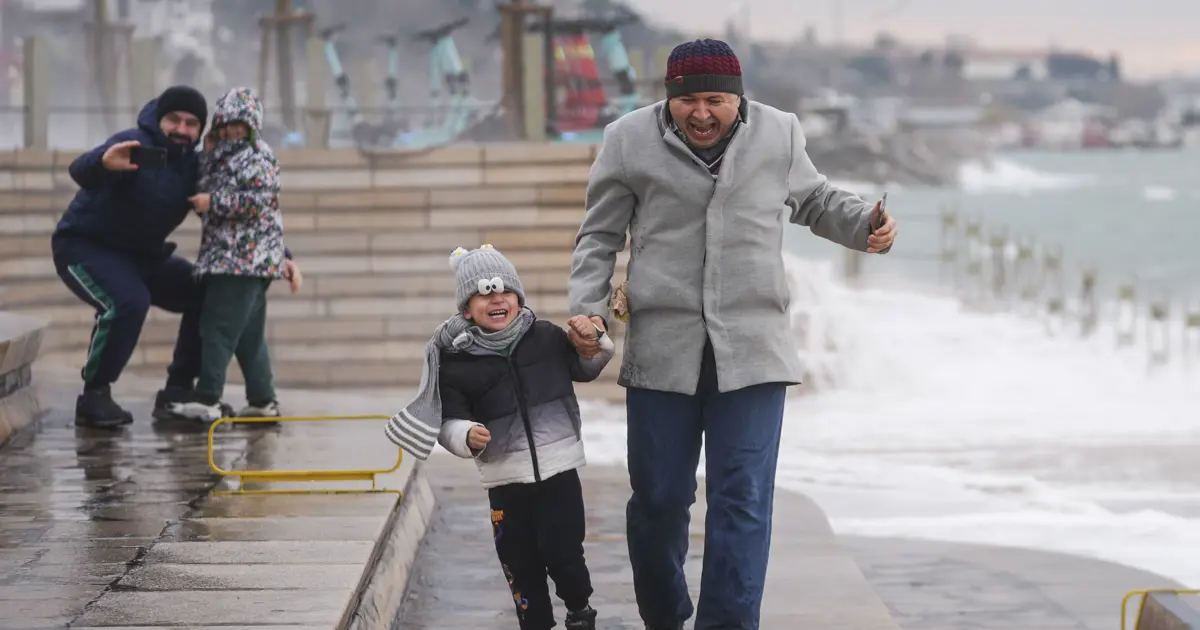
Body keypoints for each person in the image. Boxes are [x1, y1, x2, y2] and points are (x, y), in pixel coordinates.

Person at [566, 39, 899, 630]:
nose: (700, 114)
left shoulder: (781, 133)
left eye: (714, 100)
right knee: (659, 505)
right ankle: (666, 618)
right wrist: (587, 308)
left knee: (741, 502)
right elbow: (599, 237)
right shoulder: (627, 140)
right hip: (662, 352)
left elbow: (816, 200)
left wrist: (863, 224)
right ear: (668, 99)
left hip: (753, 350)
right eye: (687, 101)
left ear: (737, 98)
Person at [385, 244, 614, 630]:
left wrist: (594, 340)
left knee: (565, 553)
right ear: (466, 309)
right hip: (505, 483)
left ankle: (579, 611)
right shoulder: (458, 363)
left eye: (505, 291)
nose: (497, 298)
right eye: (485, 293)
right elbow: (449, 418)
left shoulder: (545, 337)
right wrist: (464, 434)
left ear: (518, 298)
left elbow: (587, 366)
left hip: (559, 475)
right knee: (518, 561)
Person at [50, 85, 302, 429]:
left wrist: (280, 254)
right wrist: (103, 163)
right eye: (173, 120)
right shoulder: (136, 145)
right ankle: (95, 394)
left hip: (145, 257)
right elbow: (79, 169)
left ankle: (179, 391)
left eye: (191, 124)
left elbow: (236, 214)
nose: (181, 130)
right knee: (128, 301)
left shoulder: (191, 167)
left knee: (205, 293)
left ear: (202, 130)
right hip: (86, 248)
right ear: (159, 119)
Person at [166, 87, 295, 423]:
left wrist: (215, 203)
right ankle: (263, 400)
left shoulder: (258, 156)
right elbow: (205, 189)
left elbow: (259, 201)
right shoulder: (220, 156)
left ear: (252, 126)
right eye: (227, 124)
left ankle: (208, 398)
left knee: (217, 328)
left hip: (240, 261)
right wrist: (208, 155)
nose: (233, 131)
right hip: (237, 259)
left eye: (240, 125)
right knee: (249, 336)